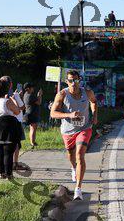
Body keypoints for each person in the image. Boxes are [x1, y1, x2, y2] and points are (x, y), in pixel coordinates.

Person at [50, 70, 98, 200]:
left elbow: (94, 102)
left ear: (79, 80)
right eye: (71, 80)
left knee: (80, 155)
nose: (73, 83)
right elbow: (53, 113)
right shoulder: (62, 94)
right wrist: (69, 115)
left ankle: (78, 189)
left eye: (76, 80)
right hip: (68, 131)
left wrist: (94, 116)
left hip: (84, 128)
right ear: (67, 81)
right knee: (71, 155)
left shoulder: (87, 93)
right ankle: (73, 167)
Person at [0, 79, 22, 179]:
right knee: (8, 152)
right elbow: (17, 112)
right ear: (6, 90)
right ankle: (9, 174)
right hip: (8, 126)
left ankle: (1, 172)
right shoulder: (7, 101)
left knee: (0, 151)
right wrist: (13, 100)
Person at [0, 76, 27, 171]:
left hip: (2, 122)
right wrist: (17, 98)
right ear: (11, 84)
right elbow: (21, 108)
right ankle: (13, 164)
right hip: (15, 122)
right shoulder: (13, 95)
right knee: (15, 144)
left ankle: (6, 164)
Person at [23, 82, 42, 147]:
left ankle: (32, 142)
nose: (33, 88)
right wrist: (39, 95)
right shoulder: (30, 95)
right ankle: (32, 143)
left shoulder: (25, 94)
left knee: (32, 128)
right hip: (32, 114)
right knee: (33, 129)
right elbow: (39, 102)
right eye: (32, 87)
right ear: (28, 88)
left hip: (28, 113)